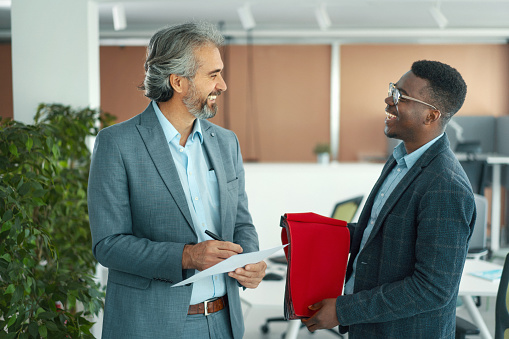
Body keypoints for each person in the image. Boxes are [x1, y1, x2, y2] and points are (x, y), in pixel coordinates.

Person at [88, 22, 266, 339]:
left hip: (224, 322)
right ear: (178, 82)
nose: (223, 85)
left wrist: (248, 262)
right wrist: (186, 256)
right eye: (213, 75)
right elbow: (108, 245)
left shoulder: (226, 143)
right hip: (151, 325)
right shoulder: (117, 144)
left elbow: (241, 222)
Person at [302, 60, 475, 338]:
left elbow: (431, 289)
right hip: (371, 328)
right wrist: (318, 232)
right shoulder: (400, 160)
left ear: (430, 116)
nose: (388, 100)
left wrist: (344, 310)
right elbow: (379, 233)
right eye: (393, 89)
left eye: (400, 96)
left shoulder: (445, 185)